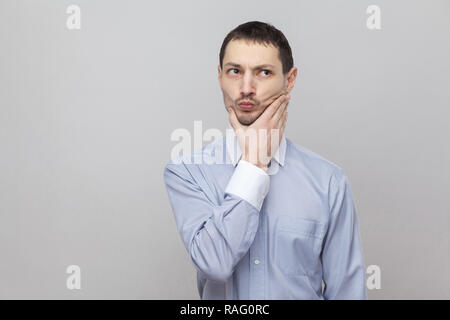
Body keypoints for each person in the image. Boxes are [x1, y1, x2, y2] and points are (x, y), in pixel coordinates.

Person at [163, 21, 367, 299]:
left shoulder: (329, 181)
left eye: (264, 72)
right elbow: (215, 265)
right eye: (234, 71)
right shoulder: (187, 172)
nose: (246, 88)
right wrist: (253, 164)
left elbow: (348, 292)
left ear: (289, 80)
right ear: (220, 76)